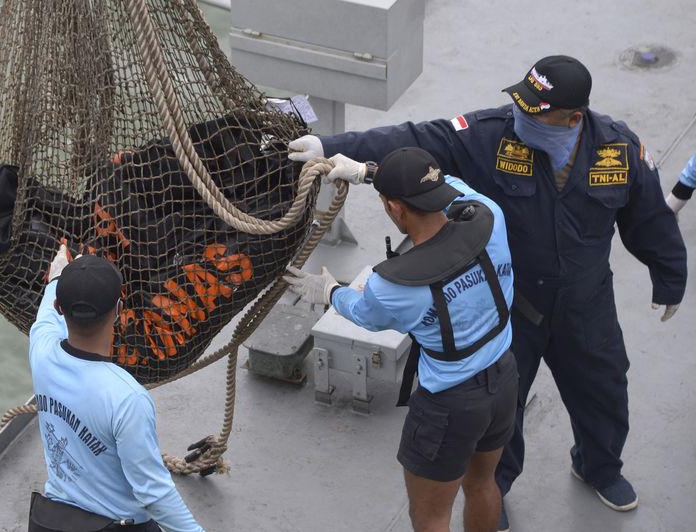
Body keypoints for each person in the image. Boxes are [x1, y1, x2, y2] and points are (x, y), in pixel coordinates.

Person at [288, 55, 687, 530]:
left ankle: (599, 466)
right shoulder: (492, 135)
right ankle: (498, 487)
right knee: (504, 408)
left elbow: (648, 219)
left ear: (572, 117)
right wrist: (332, 147)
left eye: (533, 111)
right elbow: (422, 140)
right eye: (518, 104)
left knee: (604, 387)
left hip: (587, 302)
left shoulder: (619, 152)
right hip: (516, 305)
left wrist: (670, 278)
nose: (519, 117)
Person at [285, 147, 519, 532]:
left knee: (430, 517)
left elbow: (365, 315)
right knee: (482, 483)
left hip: (450, 405)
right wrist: (368, 172)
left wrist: (328, 291)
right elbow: (453, 188)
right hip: (504, 378)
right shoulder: (489, 214)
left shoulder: (392, 286)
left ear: (395, 209)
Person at [28, 247, 204, 532]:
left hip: (54, 523)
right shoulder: (127, 397)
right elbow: (155, 496)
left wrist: (57, 274)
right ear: (120, 310)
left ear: (61, 309)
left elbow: (46, 311)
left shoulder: (41, 351)